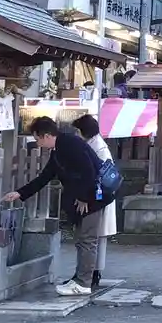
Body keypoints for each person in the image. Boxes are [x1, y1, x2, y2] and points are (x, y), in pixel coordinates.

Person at [3, 116, 115, 296]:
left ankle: (84, 283)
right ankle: (79, 279)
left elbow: (89, 171)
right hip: (86, 199)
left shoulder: (70, 144)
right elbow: (45, 177)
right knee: (82, 240)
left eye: (38, 139)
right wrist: (20, 193)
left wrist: (84, 198)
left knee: (87, 240)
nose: (38, 144)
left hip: (93, 199)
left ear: (46, 136)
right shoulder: (59, 149)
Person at [71, 114, 118, 291]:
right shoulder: (95, 144)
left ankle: (93, 273)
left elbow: (97, 175)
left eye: (78, 131)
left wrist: (85, 196)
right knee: (93, 238)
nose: (76, 135)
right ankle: (90, 273)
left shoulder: (98, 148)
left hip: (98, 198)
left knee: (92, 239)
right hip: (97, 197)